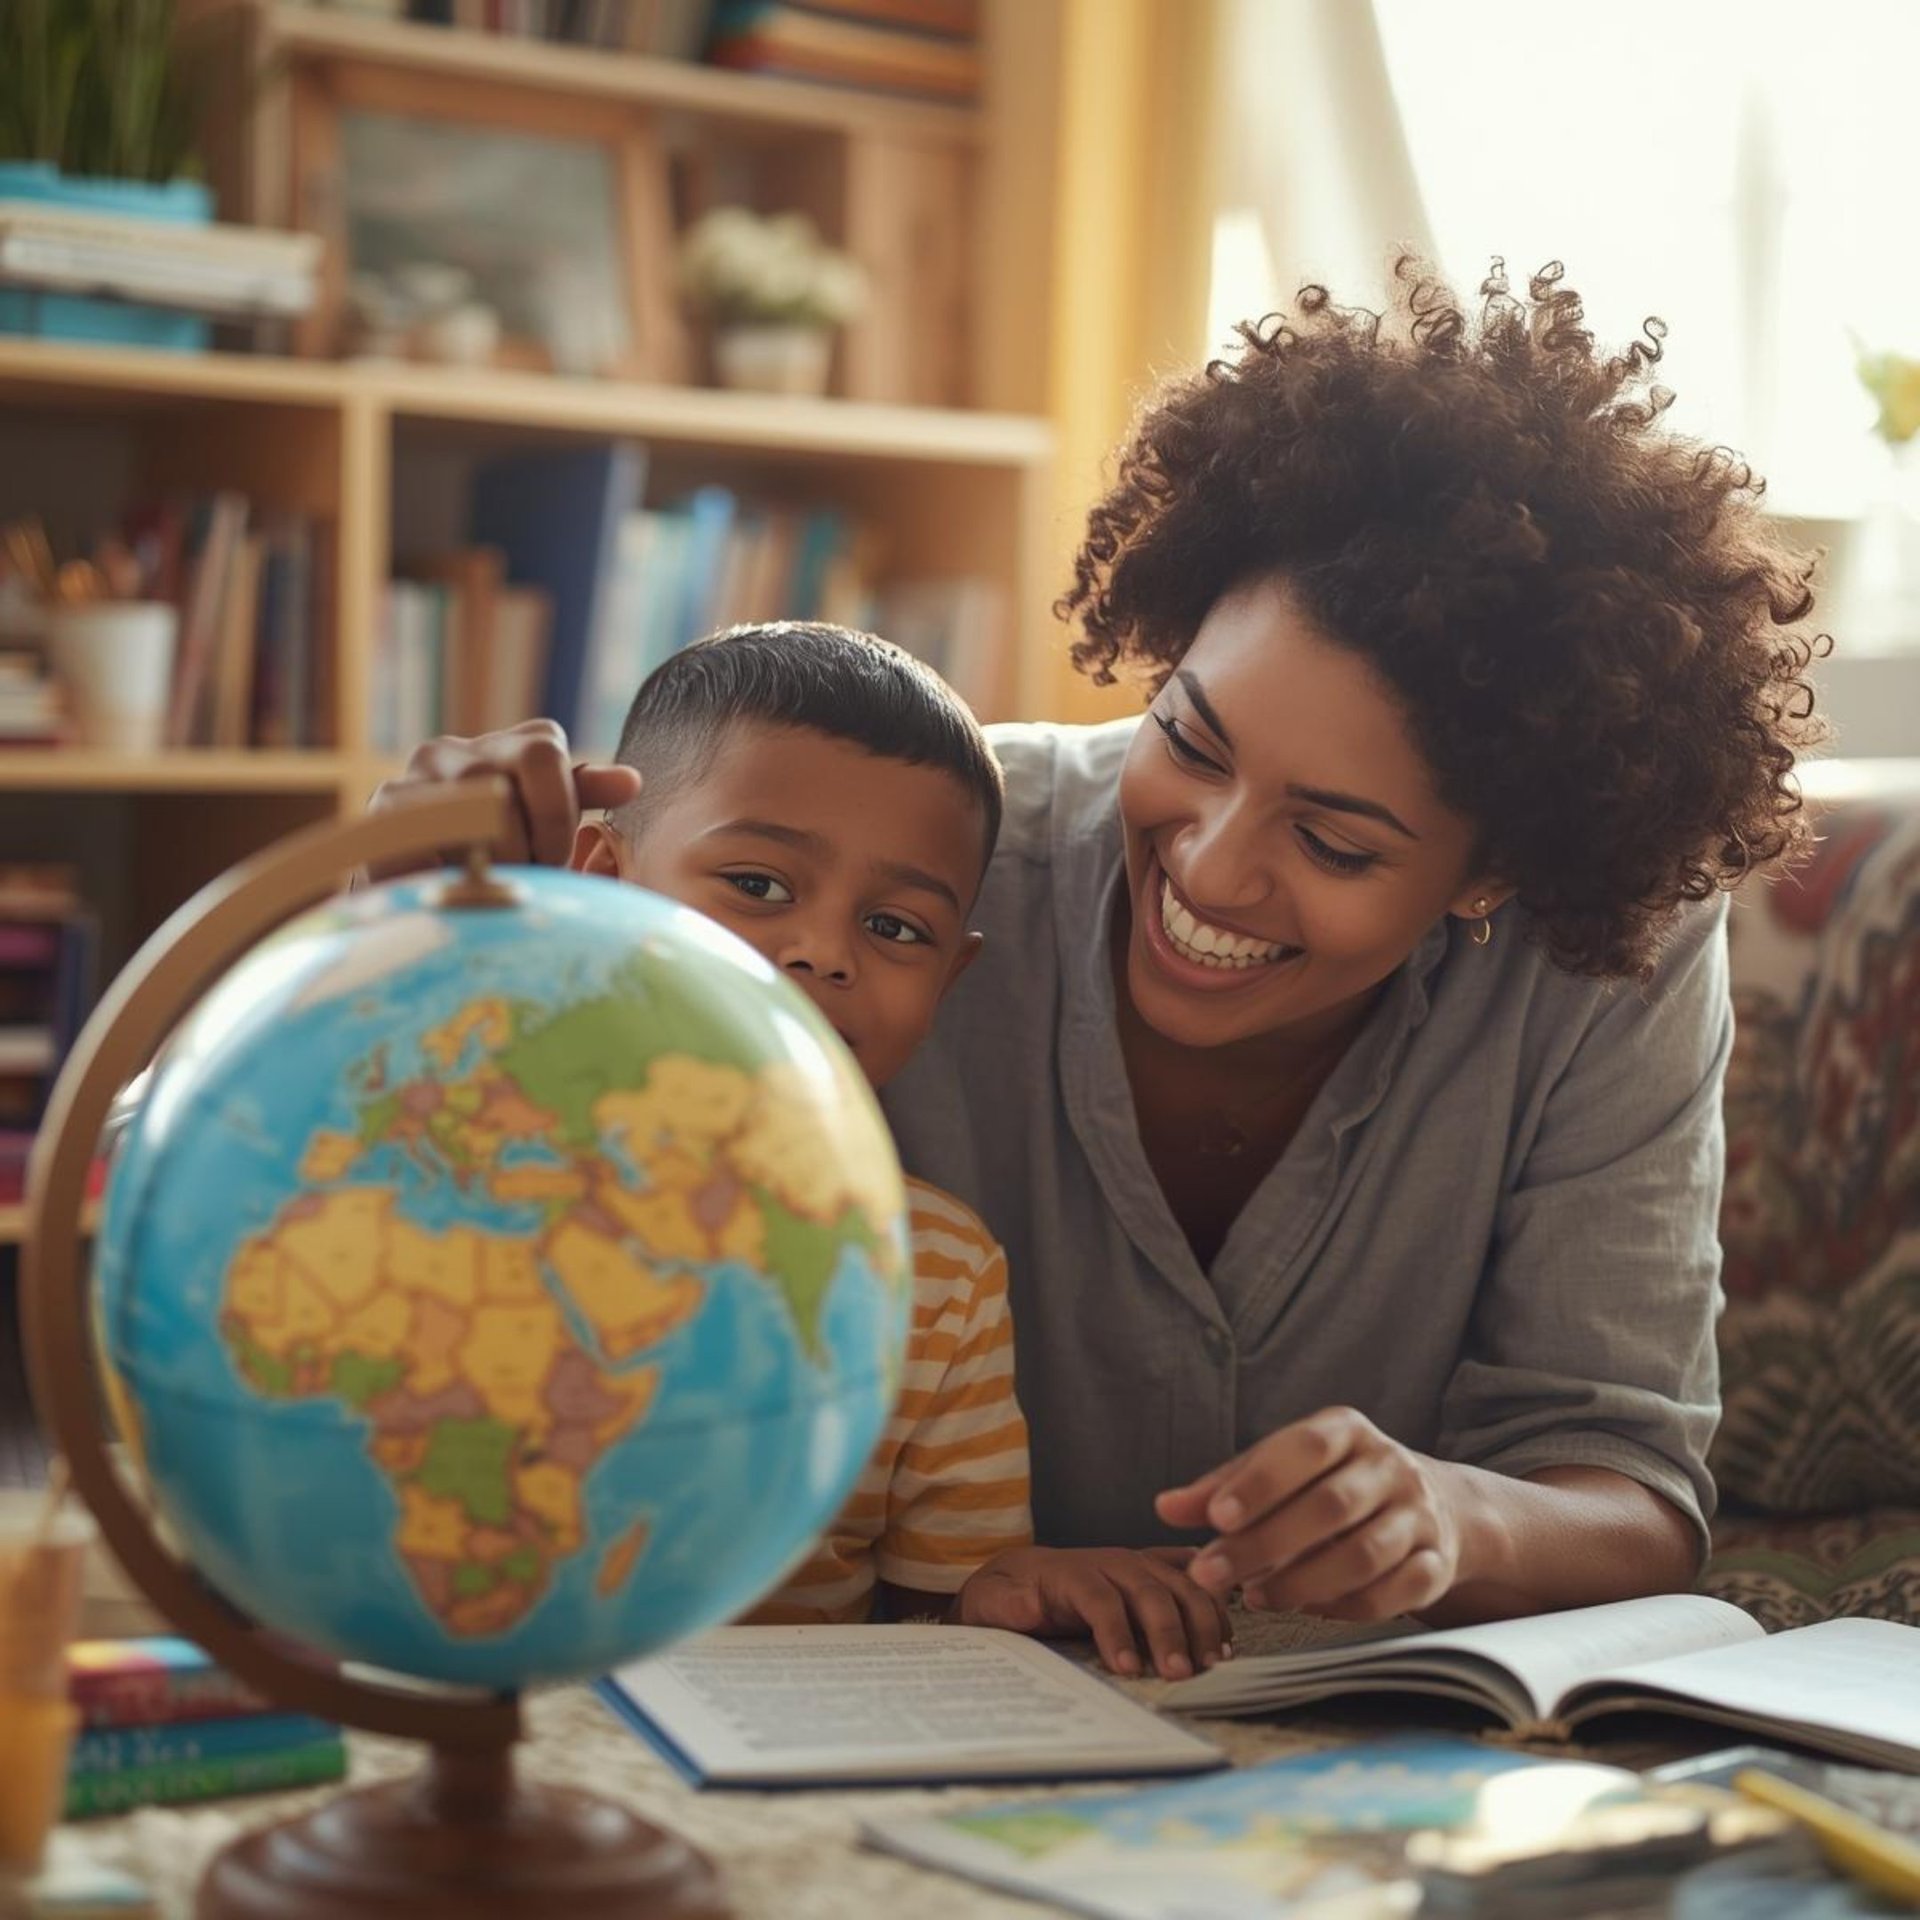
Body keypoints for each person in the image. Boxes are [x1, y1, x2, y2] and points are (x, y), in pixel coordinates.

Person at [373, 259, 1824, 1629]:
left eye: (1334, 842)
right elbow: (349, 1161)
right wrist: (422, 931)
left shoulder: (1592, 972)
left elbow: (1631, 1483)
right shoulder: (911, 861)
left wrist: (1453, 1520)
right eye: (1188, 739)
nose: (1210, 862)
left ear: (1491, 874)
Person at [562, 622, 1229, 1677]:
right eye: (761, 886)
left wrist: (996, 1591)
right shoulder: (466, 1168)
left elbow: (935, 1611)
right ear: (601, 877)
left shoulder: (940, 1276)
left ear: (948, 983)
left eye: (896, 929)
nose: (824, 951)